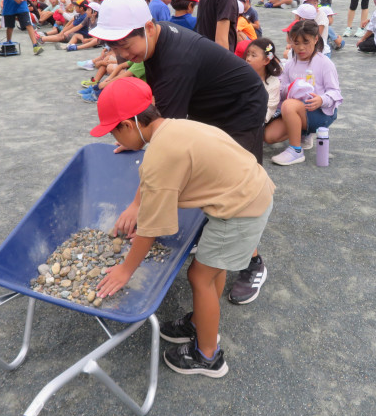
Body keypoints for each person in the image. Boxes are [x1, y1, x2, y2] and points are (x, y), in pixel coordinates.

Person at [89, 0, 270, 305]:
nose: (119, 56)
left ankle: (251, 262)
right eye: (112, 47)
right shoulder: (152, 45)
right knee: (202, 174)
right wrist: (133, 136)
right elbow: (150, 113)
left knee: (235, 193)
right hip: (208, 106)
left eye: (124, 45)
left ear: (147, 27)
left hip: (240, 108)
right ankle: (213, 239)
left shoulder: (176, 59)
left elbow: (163, 147)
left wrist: (137, 205)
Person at [92, 78, 275, 377]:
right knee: (213, 268)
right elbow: (163, 187)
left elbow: (150, 230)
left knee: (199, 276)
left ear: (128, 124)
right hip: (249, 195)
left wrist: (125, 270)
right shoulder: (173, 127)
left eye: (114, 131)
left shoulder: (160, 155)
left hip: (241, 209)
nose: (114, 139)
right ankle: (202, 322)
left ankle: (207, 356)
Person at [267, 20, 342, 165]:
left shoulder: (324, 63)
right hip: (297, 111)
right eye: (296, 42)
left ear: (315, 39)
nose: (301, 47)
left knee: (289, 105)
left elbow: (335, 92)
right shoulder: (289, 64)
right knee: (270, 137)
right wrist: (287, 89)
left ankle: (295, 150)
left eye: (306, 42)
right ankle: (303, 133)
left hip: (320, 114)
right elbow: (281, 89)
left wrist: (321, 99)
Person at [243, 38, 283, 125]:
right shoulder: (242, 76)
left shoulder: (274, 83)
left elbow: (267, 112)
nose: (248, 59)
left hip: (257, 120)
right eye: (248, 54)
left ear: (266, 60)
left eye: (253, 55)